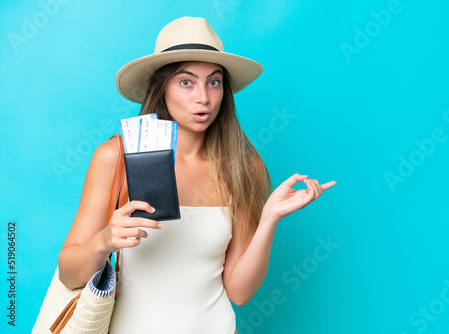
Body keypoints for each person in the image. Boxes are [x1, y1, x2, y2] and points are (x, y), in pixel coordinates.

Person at [57, 17, 336, 333]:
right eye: (186, 82)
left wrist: (269, 217)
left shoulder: (243, 168)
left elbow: (240, 292)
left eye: (214, 82)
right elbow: (69, 273)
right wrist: (104, 241)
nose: (203, 97)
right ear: (161, 88)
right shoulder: (115, 158)